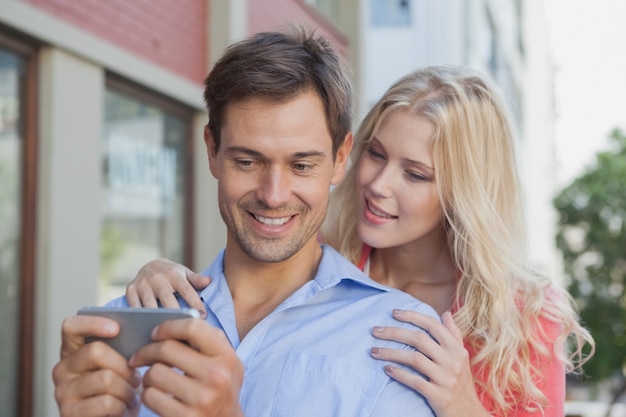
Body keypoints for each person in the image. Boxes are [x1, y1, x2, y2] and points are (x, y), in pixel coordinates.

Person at [127, 65, 595, 417]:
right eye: (375, 154)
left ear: (464, 194)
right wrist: (161, 275)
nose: (378, 184)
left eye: (415, 174)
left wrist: (464, 405)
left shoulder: (525, 316)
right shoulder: (321, 257)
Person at [52, 28, 441, 417]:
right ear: (212, 150)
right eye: (247, 162)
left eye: (301, 165)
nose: (273, 195)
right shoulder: (127, 327)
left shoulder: (406, 339)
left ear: (340, 158)